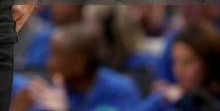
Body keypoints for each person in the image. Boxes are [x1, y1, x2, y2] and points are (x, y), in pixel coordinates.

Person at [11, 23, 141, 111]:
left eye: (56, 56)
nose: (48, 63)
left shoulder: (119, 91)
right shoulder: (48, 89)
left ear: (78, 64)